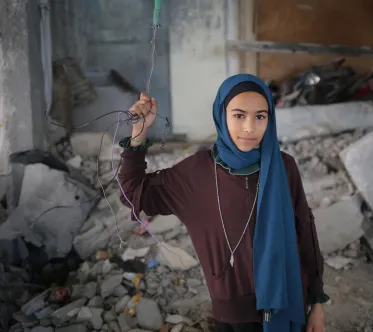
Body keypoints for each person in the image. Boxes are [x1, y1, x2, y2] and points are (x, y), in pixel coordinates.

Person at [118, 74, 328, 332]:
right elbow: (132, 194)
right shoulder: (195, 173)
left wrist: (317, 303)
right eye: (239, 115)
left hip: (289, 302)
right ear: (221, 115)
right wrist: (138, 135)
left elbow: (305, 232)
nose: (250, 127)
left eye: (260, 116)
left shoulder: (283, 166)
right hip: (234, 316)